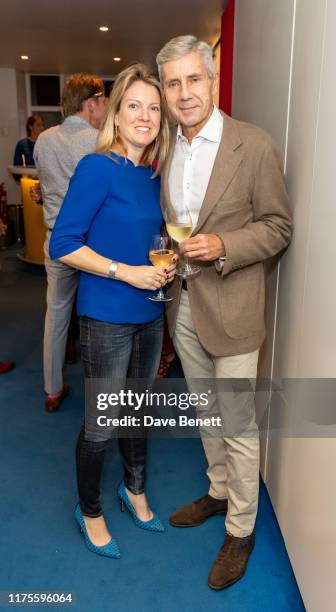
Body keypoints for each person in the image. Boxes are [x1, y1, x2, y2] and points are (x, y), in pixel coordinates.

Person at [156, 35, 292, 589]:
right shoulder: (167, 147)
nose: (184, 93)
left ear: (212, 80)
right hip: (182, 303)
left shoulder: (252, 144)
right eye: (173, 83)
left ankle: (241, 528)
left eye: (193, 79)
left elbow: (278, 227)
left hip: (233, 304)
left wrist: (225, 245)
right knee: (205, 413)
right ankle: (217, 493)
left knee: (236, 423)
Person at [49, 63, 176, 557]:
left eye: (153, 108)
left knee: (138, 412)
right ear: (116, 116)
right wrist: (128, 271)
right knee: (102, 422)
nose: (144, 116)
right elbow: (64, 243)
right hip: (105, 316)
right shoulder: (97, 166)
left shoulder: (153, 174)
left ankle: (134, 490)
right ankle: (90, 509)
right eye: (134, 106)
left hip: (150, 313)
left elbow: (149, 237)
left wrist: (162, 264)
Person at [34, 73, 107, 412]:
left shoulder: (44, 140)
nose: (106, 108)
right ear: (91, 104)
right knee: (98, 318)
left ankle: (51, 389)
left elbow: (47, 188)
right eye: (104, 102)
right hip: (93, 244)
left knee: (57, 314)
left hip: (55, 242)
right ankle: (104, 392)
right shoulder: (100, 141)